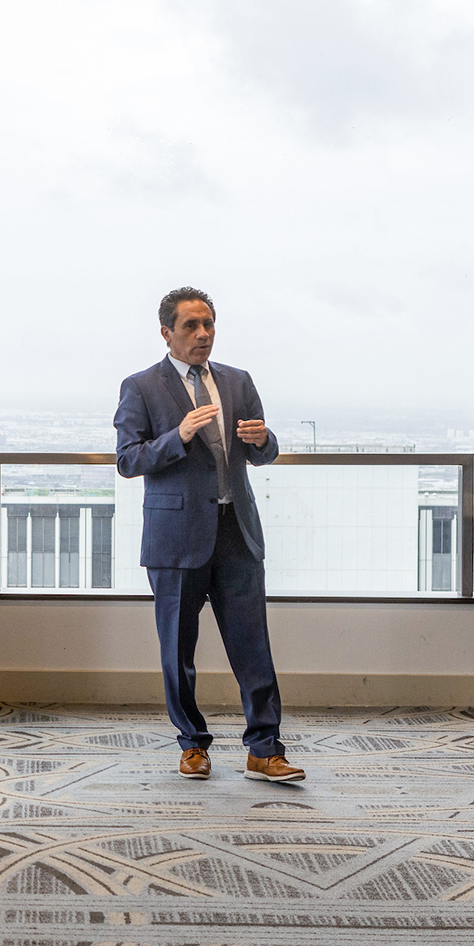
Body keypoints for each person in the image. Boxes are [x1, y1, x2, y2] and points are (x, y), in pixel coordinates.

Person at [114, 286, 302, 785]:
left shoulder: (238, 381)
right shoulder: (141, 386)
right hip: (175, 538)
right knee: (178, 651)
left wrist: (264, 441)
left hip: (236, 531)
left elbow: (262, 453)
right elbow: (128, 459)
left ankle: (264, 749)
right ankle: (192, 744)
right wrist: (178, 436)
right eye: (191, 326)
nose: (203, 334)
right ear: (166, 333)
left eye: (209, 325)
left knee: (253, 646)